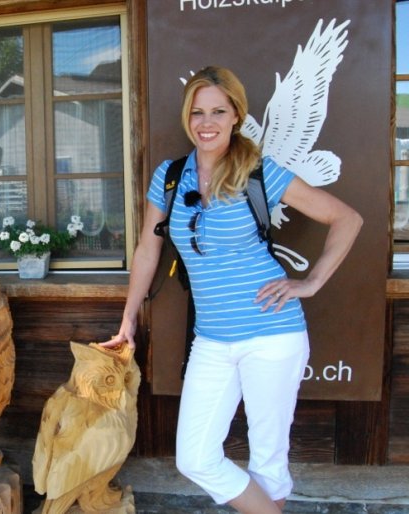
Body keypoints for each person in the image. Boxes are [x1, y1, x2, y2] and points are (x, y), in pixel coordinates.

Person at [101, 66, 362, 513]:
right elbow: (148, 248)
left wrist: (312, 283)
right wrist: (128, 318)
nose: (207, 122)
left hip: (271, 333)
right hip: (212, 339)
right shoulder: (170, 175)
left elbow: (347, 218)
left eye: (218, 111)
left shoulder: (257, 170)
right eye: (198, 112)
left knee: (267, 458)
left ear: (236, 115)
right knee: (195, 456)